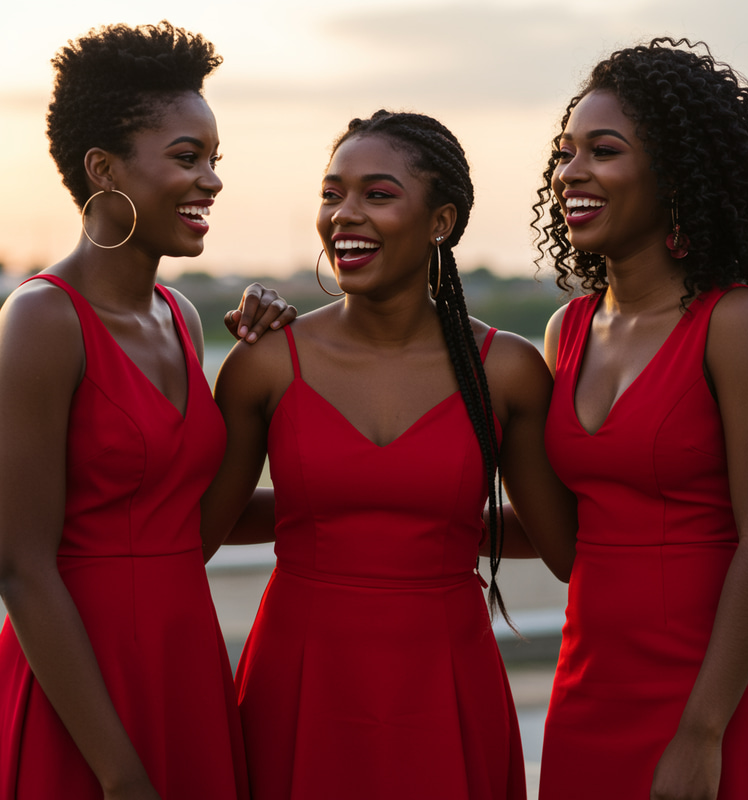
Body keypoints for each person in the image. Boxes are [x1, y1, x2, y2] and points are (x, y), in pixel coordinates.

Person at [201, 109, 577, 799]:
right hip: (299, 675)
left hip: (446, 676)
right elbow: (197, 531)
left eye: (377, 194)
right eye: (331, 193)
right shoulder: (264, 364)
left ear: (441, 221)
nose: (344, 214)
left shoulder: (507, 370)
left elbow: (567, 551)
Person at [0, 22, 294, 799]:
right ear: (104, 169)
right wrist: (119, 772)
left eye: (214, 160)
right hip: (86, 692)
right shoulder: (41, 321)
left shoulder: (182, 317)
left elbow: (187, 511)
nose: (212, 181)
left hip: (187, 663)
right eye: (187, 158)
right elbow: (19, 564)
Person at [531, 37, 748, 799]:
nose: (571, 173)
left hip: (715, 698)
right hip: (589, 690)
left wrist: (702, 732)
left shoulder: (735, 321)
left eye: (602, 151)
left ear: (677, 175)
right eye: (565, 152)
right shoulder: (567, 331)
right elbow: (569, 537)